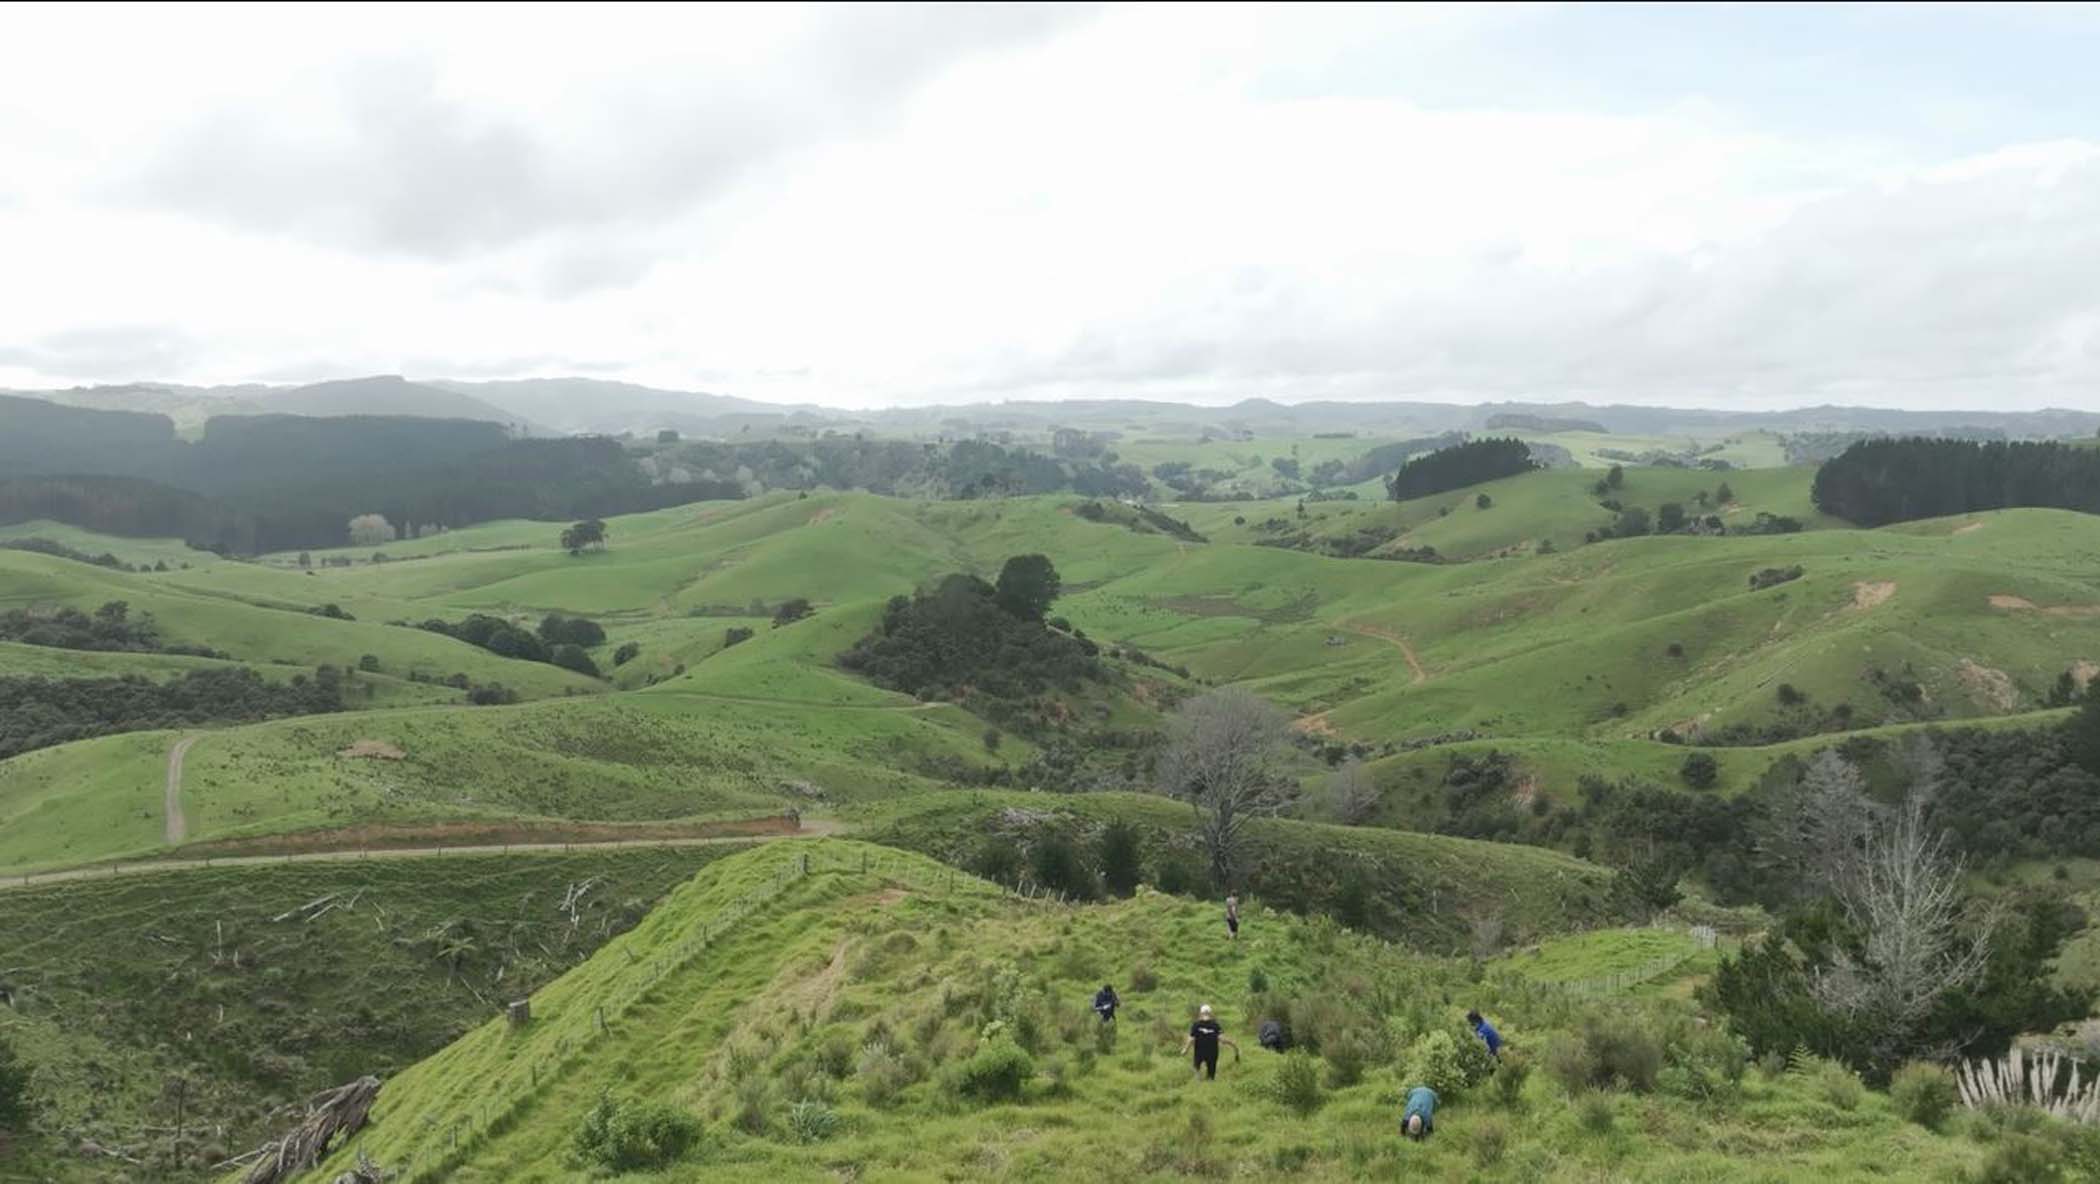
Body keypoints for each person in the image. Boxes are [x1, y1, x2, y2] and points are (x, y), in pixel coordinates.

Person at [1179, 1004, 1239, 1080]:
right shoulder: (1215, 1025)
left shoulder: (1196, 1025)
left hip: (1199, 1052)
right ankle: (1209, 1082)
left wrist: (1185, 1050)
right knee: (1211, 1076)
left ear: (1200, 1013)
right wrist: (1233, 1045)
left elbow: (1191, 1039)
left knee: (1196, 1069)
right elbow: (1222, 1039)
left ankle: (1198, 1082)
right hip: (1212, 1053)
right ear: (1210, 1013)